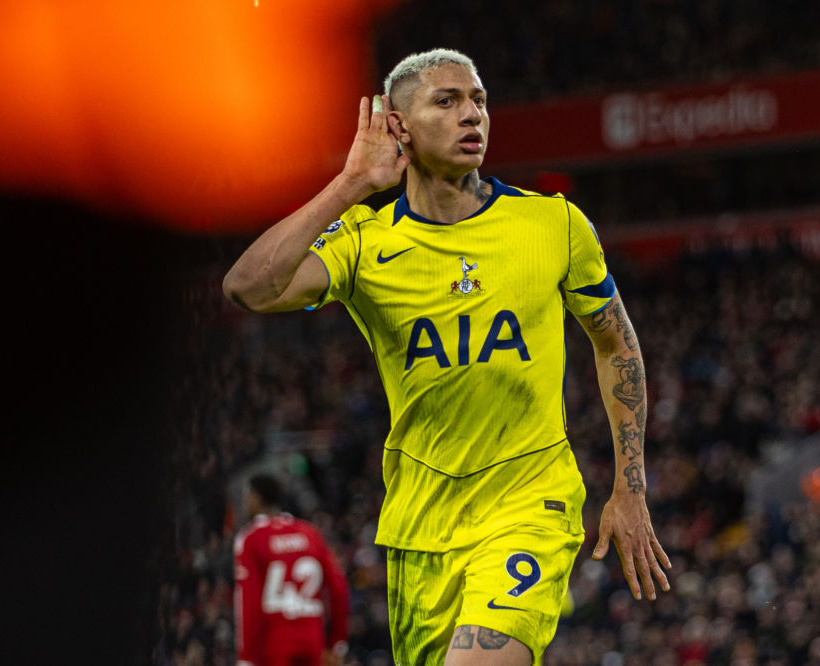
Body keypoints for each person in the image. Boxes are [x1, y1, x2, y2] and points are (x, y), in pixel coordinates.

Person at [224, 48, 671, 665]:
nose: (472, 114)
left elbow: (616, 343)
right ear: (398, 126)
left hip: (529, 504)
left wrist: (630, 488)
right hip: (420, 525)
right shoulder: (365, 243)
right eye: (447, 101)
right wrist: (351, 184)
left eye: (479, 100)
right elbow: (247, 288)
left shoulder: (554, 224)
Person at [234, 474, 350, 666]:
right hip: (313, 637)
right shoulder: (309, 532)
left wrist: (246, 657)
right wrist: (338, 643)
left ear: (256, 498)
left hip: (275, 641)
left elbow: (248, 601)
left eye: (246, 496)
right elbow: (338, 588)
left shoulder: (251, 537)